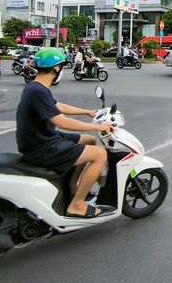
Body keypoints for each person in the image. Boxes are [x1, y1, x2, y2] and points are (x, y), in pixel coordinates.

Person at [15, 47, 114, 218]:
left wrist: (87, 111)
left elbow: (57, 106)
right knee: (100, 155)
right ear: (56, 68)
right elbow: (61, 121)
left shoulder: (35, 87)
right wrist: (98, 127)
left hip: (42, 138)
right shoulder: (38, 90)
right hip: (42, 146)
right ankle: (77, 204)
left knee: (89, 140)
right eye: (61, 65)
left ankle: (73, 186)